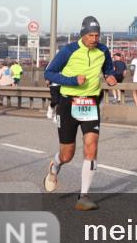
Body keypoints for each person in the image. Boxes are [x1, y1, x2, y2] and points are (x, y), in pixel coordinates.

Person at [42, 16, 117, 211]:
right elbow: (49, 73)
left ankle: (83, 196)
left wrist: (110, 76)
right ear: (83, 34)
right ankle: (55, 165)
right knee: (68, 154)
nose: (94, 39)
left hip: (90, 102)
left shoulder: (103, 50)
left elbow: (108, 68)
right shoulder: (68, 50)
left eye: (97, 35)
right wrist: (73, 80)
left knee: (91, 146)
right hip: (68, 103)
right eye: (91, 35)